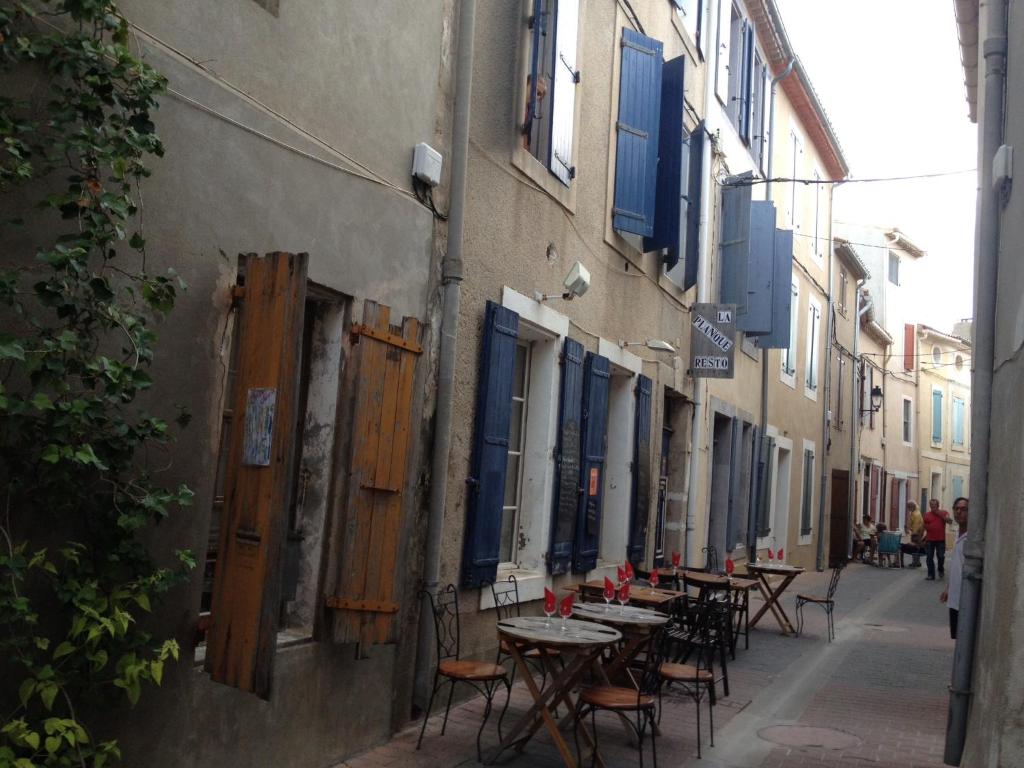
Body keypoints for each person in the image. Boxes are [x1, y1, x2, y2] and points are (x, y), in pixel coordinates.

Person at [941, 497, 969, 639]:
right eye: (956, 509)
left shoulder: (971, 539)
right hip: (954, 597)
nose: (959, 512)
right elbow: (956, 566)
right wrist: (948, 588)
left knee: (964, 637)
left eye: (963, 509)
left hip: (966, 598)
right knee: (957, 636)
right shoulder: (958, 534)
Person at [923, 498, 952, 580]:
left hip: (940, 539)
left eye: (934, 505)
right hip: (929, 539)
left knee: (941, 556)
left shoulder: (944, 513)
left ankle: (940, 569)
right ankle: (930, 574)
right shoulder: (927, 515)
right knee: (929, 557)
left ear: (938, 505)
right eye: (931, 505)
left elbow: (950, 521)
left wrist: (940, 514)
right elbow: (924, 525)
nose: (932, 507)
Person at [900, 501, 925, 567]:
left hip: (916, 533)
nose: (908, 508)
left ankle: (915, 562)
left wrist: (913, 533)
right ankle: (917, 562)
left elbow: (916, 525)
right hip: (918, 532)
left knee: (915, 547)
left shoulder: (915, 514)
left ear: (912, 506)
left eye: (909, 506)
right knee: (916, 547)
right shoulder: (915, 512)